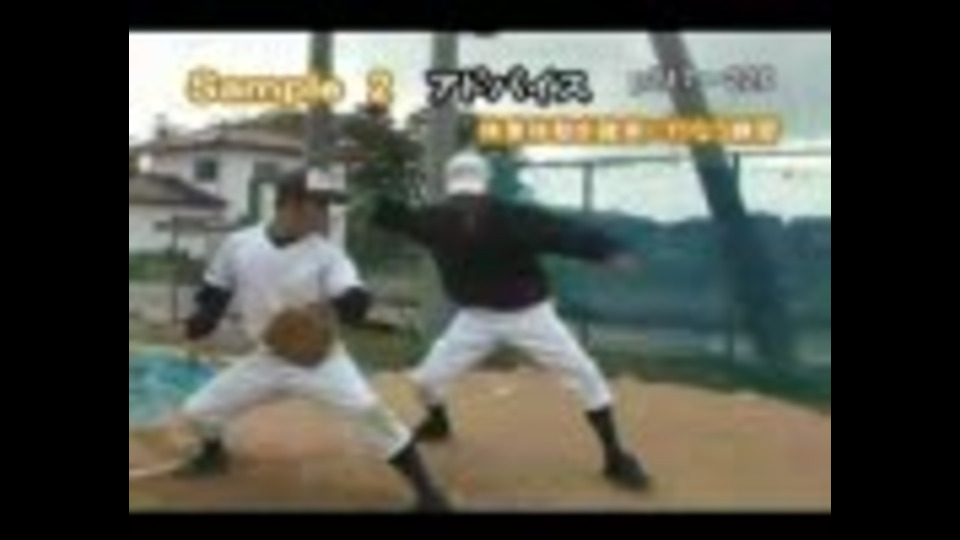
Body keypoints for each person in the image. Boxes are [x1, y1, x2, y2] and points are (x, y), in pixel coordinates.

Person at [371, 150, 653, 491]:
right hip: (476, 319)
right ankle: (438, 422)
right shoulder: (436, 220)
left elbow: (562, 233)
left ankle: (615, 457)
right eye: (462, 197)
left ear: (483, 190)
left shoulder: (510, 217)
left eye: (471, 197)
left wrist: (607, 250)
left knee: (585, 374)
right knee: (426, 381)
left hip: (530, 315)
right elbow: (393, 215)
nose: (466, 203)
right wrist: (351, 198)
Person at [176, 169, 453, 512]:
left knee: (368, 412)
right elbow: (216, 292)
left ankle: (429, 494)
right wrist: (202, 319)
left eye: (328, 204)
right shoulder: (239, 244)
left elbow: (353, 299)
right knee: (198, 411)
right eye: (320, 204)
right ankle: (213, 454)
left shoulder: (327, 254)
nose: (327, 212)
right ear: (292, 204)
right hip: (268, 358)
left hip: (321, 360)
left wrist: (346, 301)